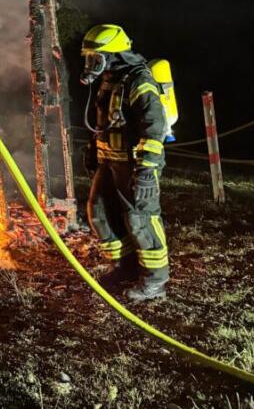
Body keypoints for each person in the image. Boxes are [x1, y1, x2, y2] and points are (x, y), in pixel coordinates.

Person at [80, 24, 169, 302]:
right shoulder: (109, 78)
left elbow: (154, 127)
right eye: (88, 58)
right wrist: (93, 150)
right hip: (109, 161)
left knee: (140, 219)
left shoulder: (139, 80)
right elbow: (104, 121)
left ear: (114, 55)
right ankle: (124, 268)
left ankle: (155, 281)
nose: (90, 63)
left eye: (96, 57)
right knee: (100, 214)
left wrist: (146, 170)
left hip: (135, 165)